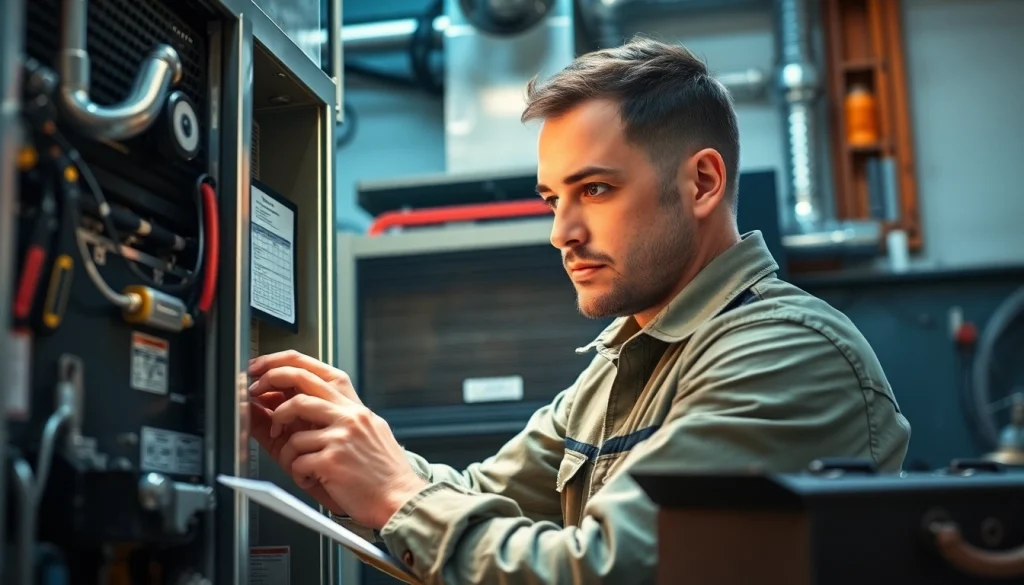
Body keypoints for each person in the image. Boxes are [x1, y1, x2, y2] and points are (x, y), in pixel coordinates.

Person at [247, 36, 912, 585]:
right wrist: (345, 449)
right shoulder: (626, 359)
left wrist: (391, 492)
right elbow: (479, 492)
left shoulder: (785, 353)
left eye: (594, 189)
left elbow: (602, 572)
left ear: (703, 181)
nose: (561, 232)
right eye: (551, 198)